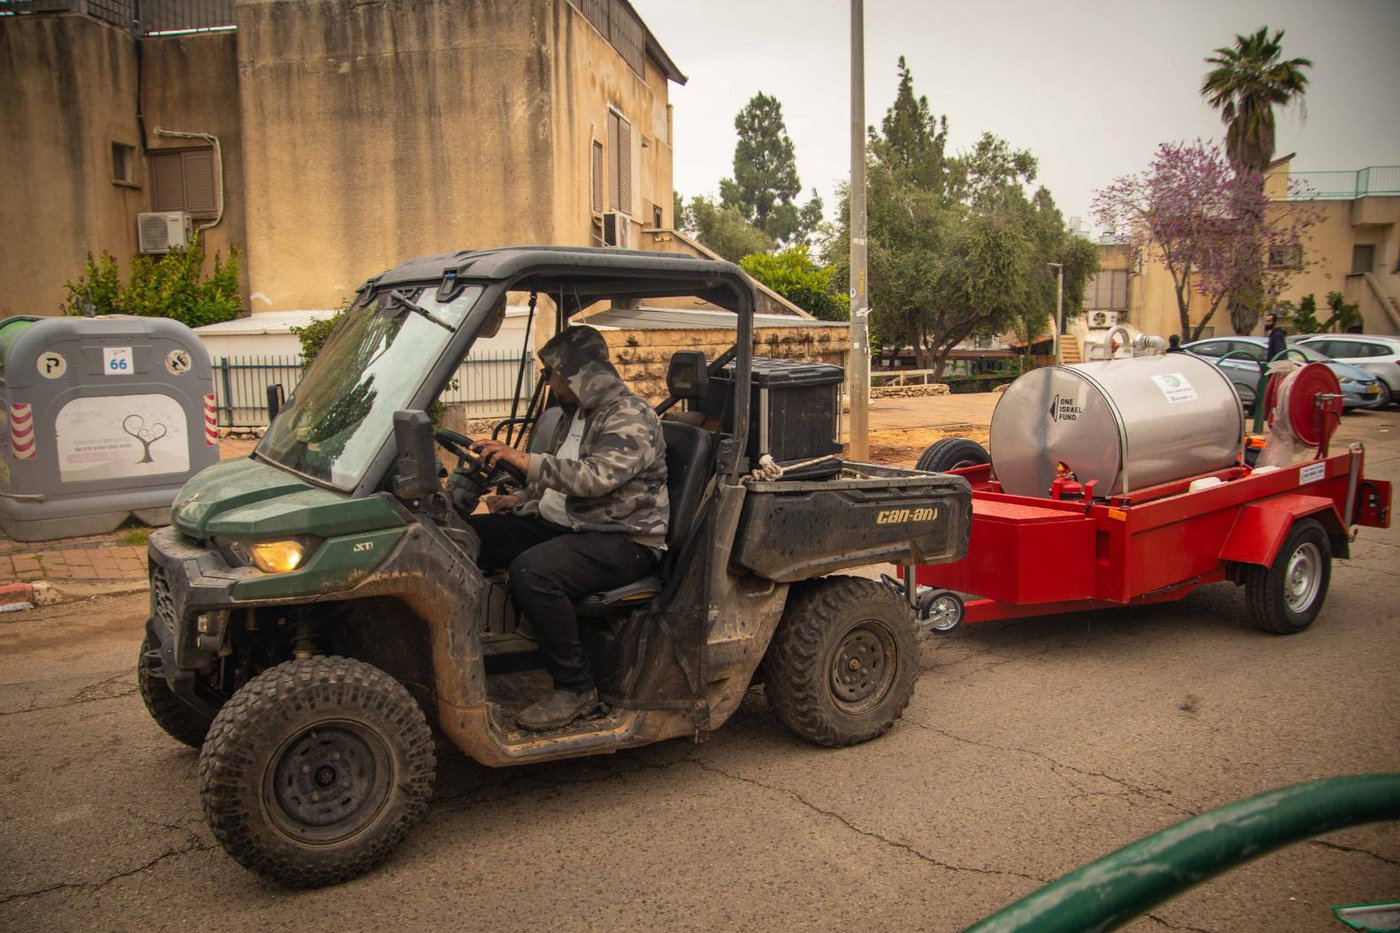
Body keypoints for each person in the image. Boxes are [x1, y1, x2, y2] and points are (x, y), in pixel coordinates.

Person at [467, 325, 668, 731]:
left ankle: (576, 689)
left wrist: (525, 462)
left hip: (623, 537)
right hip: (567, 525)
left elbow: (593, 478)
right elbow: (556, 476)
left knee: (533, 571)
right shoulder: (572, 415)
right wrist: (523, 500)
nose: (550, 381)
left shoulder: (631, 415)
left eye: (554, 372)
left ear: (581, 372)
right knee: (466, 537)